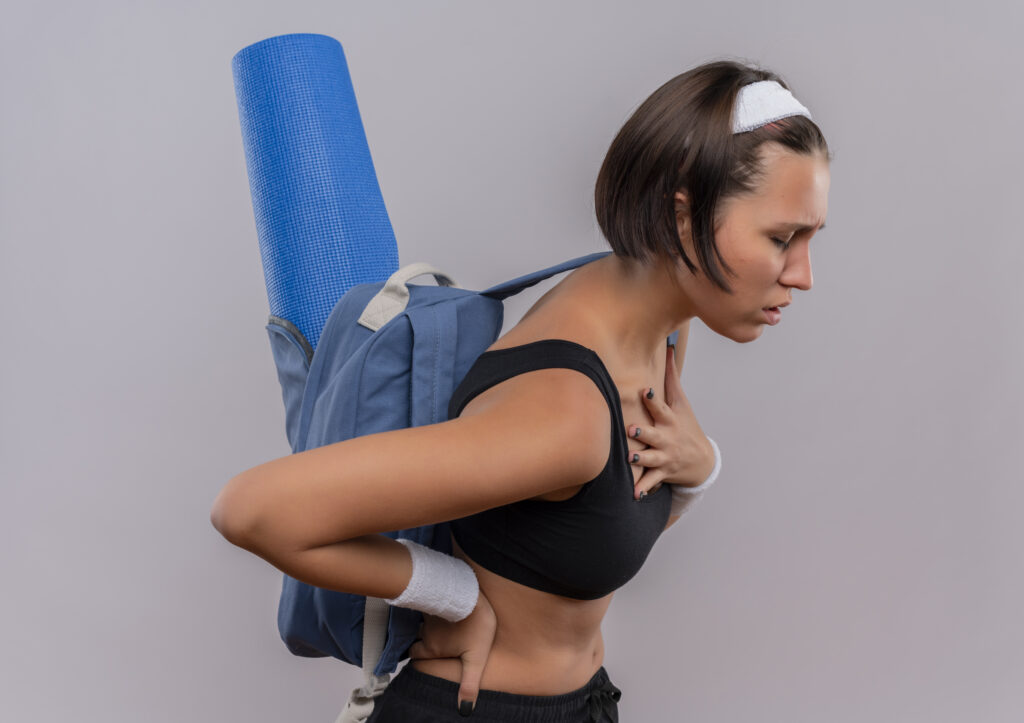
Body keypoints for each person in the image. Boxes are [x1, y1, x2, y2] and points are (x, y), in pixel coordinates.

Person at [210, 58, 831, 722]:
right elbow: (251, 508)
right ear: (684, 219)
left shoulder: (662, 324)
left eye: (812, 238)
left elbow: (601, 520)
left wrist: (701, 466)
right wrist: (453, 594)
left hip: (577, 701)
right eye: (781, 237)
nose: (804, 274)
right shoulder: (564, 415)